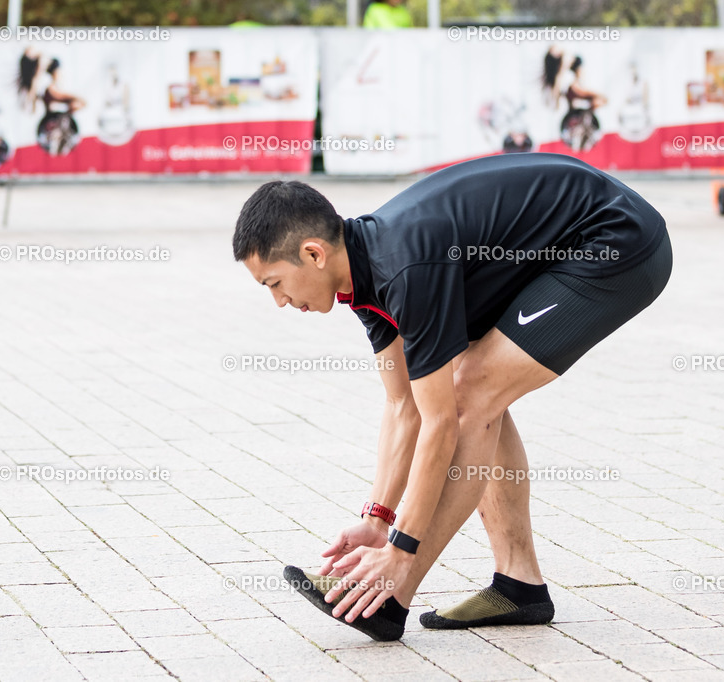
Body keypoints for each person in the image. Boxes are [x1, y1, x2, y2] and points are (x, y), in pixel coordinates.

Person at [232, 153, 671, 641]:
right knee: (467, 383)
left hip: (615, 241)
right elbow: (405, 407)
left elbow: (441, 421)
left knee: (470, 394)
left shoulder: (403, 267)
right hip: (552, 239)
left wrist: (400, 549)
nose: (278, 301)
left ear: (313, 254)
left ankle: (392, 594)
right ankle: (518, 584)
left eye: (274, 283)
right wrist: (378, 518)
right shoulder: (361, 278)